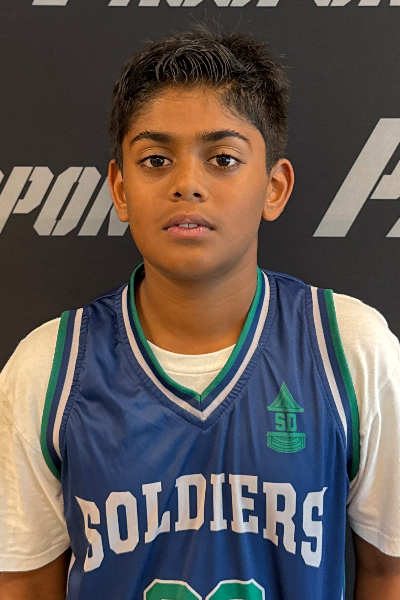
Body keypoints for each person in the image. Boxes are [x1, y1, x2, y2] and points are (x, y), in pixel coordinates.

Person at [0, 22, 400, 600]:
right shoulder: (50, 369)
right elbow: (26, 584)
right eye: (156, 159)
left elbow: (389, 570)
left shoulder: (350, 348)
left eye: (223, 158)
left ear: (275, 187)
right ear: (119, 188)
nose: (187, 183)